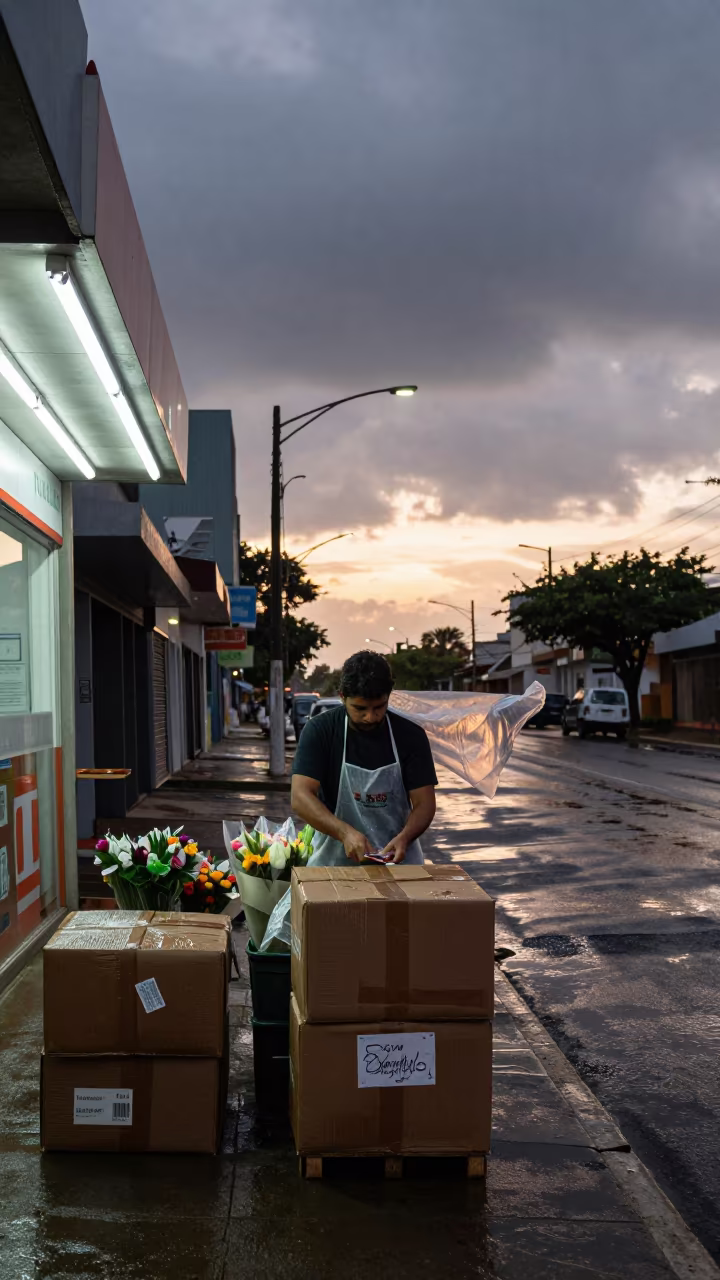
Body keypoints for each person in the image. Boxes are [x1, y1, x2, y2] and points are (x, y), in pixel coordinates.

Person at [291, 650, 437, 864]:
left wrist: (405, 837)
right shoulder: (320, 730)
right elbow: (300, 796)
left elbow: (425, 803)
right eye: (360, 708)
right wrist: (344, 832)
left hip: (397, 861)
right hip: (332, 863)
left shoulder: (410, 735)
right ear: (342, 696)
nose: (370, 717)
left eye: (379, 707)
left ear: (389, 695)